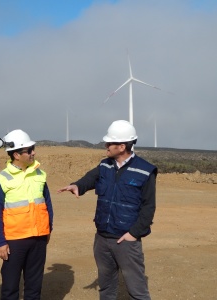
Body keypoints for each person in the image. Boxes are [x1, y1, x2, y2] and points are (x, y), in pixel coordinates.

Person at [58, 120, 157, 300]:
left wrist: (134, 234)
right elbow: (90, 178)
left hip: (126, 241)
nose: (106, 146)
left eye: (110, 143)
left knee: (137, 291)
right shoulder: (105, 165)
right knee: (106, 288)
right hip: (102, 238)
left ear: (121, 146)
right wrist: (77, 185)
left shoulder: (145, 171)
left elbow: (148, 207)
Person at [0, 129, 54, 300]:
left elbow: (47, 204)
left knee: (34, 287)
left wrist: (48, 230)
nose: (33, 153)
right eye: (29, 150)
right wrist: (0, 242)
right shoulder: (1, 180)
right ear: (16, 154)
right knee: (10, 287)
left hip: (38, 238)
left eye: (33, 148)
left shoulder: (39, 174)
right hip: (14, 242)